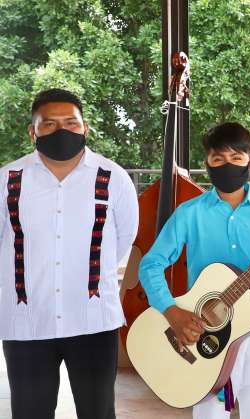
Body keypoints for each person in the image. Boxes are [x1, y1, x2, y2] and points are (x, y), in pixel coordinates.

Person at [138, 122, 250, 419]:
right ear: (207, 164)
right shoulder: (189, 213)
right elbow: (150, 265)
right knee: (211, 409)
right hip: (207, 323)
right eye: (218, 159)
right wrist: (171, 311)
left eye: (236, 158)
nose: (227, 165)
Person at [0, 88, 139, 419]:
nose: (61, 130)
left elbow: (124, 239)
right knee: (29, 413)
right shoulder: (8, 179)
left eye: (70, 123)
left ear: (85, 127)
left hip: (93, 320)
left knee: (98, 412)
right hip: (27, 322)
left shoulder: (113, 178)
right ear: (32, 131)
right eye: (49, 124)